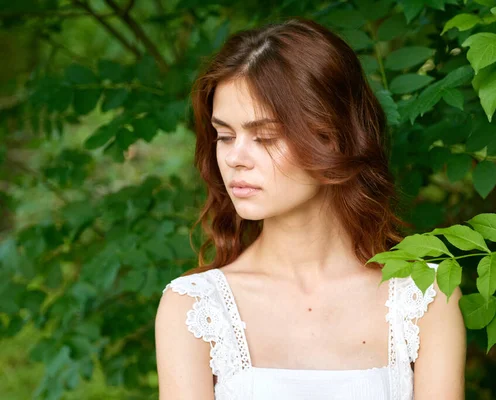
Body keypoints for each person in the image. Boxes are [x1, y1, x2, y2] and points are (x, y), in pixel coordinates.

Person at [155, 17, 466, 400]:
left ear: (334, 137)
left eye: (265, 137)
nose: (235, 158)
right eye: (225, 135)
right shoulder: (193, 307)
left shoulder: (424, 295)